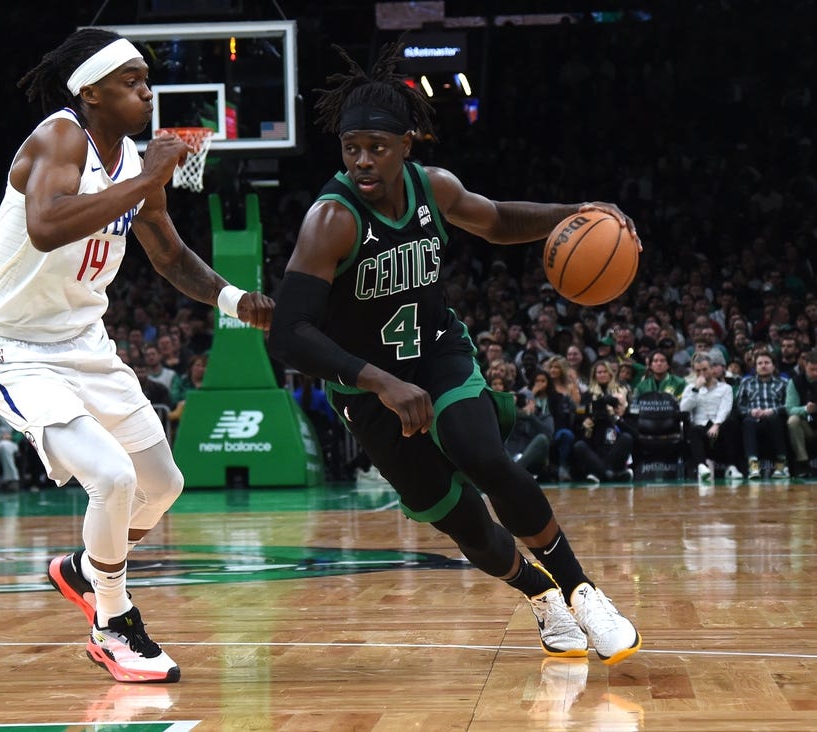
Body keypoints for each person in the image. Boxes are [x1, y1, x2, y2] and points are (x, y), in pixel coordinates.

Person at [267, 41, 640, 665]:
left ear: (406, 144)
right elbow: (288, 333)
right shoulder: (330, 220)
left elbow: (495, 221)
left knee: (482, 454)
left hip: (440, 354)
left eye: (377, 148)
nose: (362, 160)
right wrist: (380, 382)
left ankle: (582, 589)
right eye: (351, 147)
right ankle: (539, 595)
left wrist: (576, 214)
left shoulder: (433, 189)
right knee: (461, 521)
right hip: (368, 390)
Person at [0, 27, 273, 684]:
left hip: (84, 345)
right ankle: (112, 623)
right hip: (13, 350)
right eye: (131, 81)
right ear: (93, 92)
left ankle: (82, 568)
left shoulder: (134, 159)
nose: (146, 90)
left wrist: (236, 302)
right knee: (112, 477)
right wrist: (150, 179)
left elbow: (166, 253)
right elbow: (47, 227)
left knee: (163, 484)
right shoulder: (60, 136)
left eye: (144, 79)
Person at [572, 361, 635, 483]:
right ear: (594, 375)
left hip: (615, 433)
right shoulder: (587, 394)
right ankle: (610, 474)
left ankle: (600, 473)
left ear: (611, 374)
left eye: (605, 371)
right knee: (579, 446)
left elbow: (627, 413)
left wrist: (617, 411)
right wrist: (588, 416)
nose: (602, 374)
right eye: (599, 372)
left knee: (627, 438)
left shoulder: (621, 391)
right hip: (594, 435)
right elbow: (578, 412)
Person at [679, 354, 735, 482]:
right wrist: (696, 388)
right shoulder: (690, 388)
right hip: (700, 427)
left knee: (731, 423)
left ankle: (732, 466)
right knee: (693, 430)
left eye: (705, 369)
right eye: (698, 370)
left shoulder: (726, 388)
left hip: (720, 426)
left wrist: (717, 424)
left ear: (712, 369)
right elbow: (684, 408)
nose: (702, 373)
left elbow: (725, 409)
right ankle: (702, 466)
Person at [735, 352, 790, 479]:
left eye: (767, 363)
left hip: (775, 418)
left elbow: (789, 404)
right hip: (754, 419)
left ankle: (781, 465)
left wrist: (773, 410)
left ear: (773, 366)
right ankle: (753, 464)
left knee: (775, 419)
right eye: (760, 363)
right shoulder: (746, 383)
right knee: (748, 422)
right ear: (755, 367)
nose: (763, 366)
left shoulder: (784, 383)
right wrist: (750, 411)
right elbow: (738, 406)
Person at [785, 349, 817, 479]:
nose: (816, 373)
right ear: (805, 366)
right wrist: (805, 409)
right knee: (793, 420)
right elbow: (790, 408)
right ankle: (802, 463)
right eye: (812, 369)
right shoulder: (795, 382)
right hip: (808, 426)